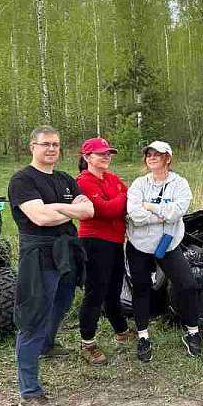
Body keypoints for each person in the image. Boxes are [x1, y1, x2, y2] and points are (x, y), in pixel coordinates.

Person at [9, 126, 94, 406]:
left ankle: (47, 345)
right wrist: (67, 208)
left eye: (56, 145)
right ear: (32, 146)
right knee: (33, 318)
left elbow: (89, 211)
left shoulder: (65, 179)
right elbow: (40, 218)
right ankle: (29, 392)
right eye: (45, 144)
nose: (51, 149)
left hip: (66, 252)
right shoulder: (23, 180)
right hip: (39, 256)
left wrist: (56, 207)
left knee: (61, 304)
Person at [126, 141, 200, 361]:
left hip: (168, 244)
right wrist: (159, 215)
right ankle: (142, 336)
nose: (151, 157)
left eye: (157, 154)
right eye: (148, 154)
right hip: (138, 244)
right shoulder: (139, 184)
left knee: (187, 285)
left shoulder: (180, 183)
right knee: (141, 288)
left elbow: (177, 212)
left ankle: (192, 332)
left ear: (168, 157)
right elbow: (134, 214)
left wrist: (149, 207)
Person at [75, 137, 135, 366]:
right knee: (95, 292)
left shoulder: (111, 178)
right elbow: (107, 210)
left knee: (113, 290)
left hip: (115, 241)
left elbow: (126, 201)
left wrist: (121, 199)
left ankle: (121, 331)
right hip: (94, 242)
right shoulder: (83, 182)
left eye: (108, 153)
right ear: (87, 157)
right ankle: (87, 343)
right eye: (101, 154)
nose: (107, 157)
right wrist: (121, 198)